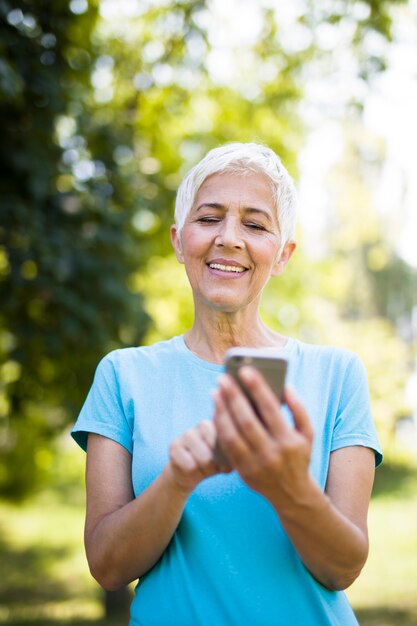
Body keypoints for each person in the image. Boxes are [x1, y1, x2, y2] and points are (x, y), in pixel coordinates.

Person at [72, 142, 382, 626]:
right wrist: (177, 481)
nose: (229, 238)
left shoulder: (337, 375)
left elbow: (343, 568)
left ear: (282, 256)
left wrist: (288, 488)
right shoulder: (123, 375)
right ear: (179, 240)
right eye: (209, 218)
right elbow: (108, 567)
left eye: (255, 225)